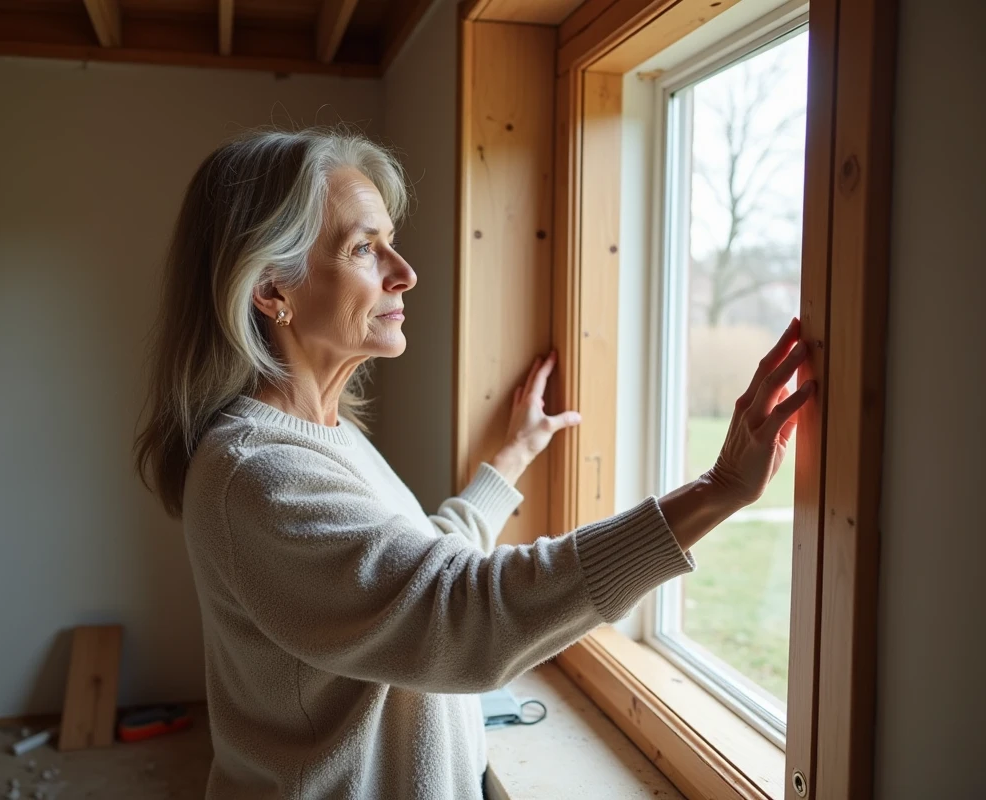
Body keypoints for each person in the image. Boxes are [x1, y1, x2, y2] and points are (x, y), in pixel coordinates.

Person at [134, 129, 813, 800]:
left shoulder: (317, 435)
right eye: (365, 249)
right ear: (272, 289)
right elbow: (459, 618)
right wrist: (715, 491)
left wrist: (510, 459)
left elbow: (401, 581)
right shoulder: (256, 473)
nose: (405, 272)